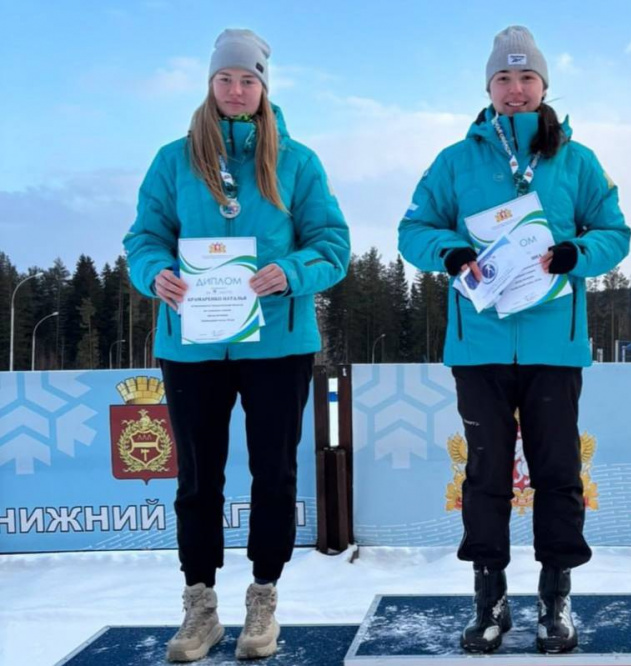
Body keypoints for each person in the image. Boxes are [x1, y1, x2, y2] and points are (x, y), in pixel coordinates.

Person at [398, 25, 630, 655]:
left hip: (555, 343)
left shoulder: (575, 161)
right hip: (480, 344)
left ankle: (555, 599)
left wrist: (574, 253)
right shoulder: (455, 160)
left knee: (557, 471)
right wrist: (447, 254)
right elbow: (413, 228)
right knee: (485, 473)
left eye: (527, 78)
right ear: (488, 87)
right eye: (504, 78)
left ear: (545, 85)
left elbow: (615, 232)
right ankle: (490, 599)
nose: (516, 88)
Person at [123, 28, 350, 662]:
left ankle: (264, 596)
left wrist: (292, 272)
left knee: (273, 473)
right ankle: (200, 604)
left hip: (277, 345)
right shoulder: (173, 159)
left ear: (264, 87)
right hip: (192, 347)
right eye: (226, 79)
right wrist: (154, 274)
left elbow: (333, 245)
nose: (236, 89)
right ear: (210, 84)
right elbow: (143, 238)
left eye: (248, 80)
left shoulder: (297, 161)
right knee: (198, 480)